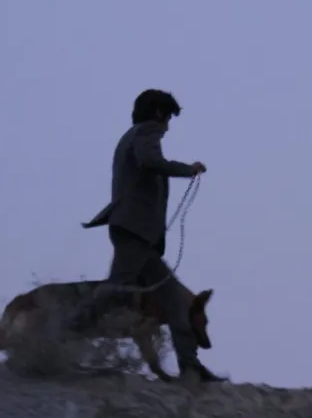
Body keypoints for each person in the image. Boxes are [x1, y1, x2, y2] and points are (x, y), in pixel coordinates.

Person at [75, 88, 224, 382]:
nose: (167, 126)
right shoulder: (147, 132)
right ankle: (63, 332)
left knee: (176, 301)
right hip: (134, 230)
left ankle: (190, 369)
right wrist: (188, 169)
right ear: (158, 113)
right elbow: (150, 161)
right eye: (168, 117)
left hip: (139, 236)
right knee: (113, 291)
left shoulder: (129, 137)